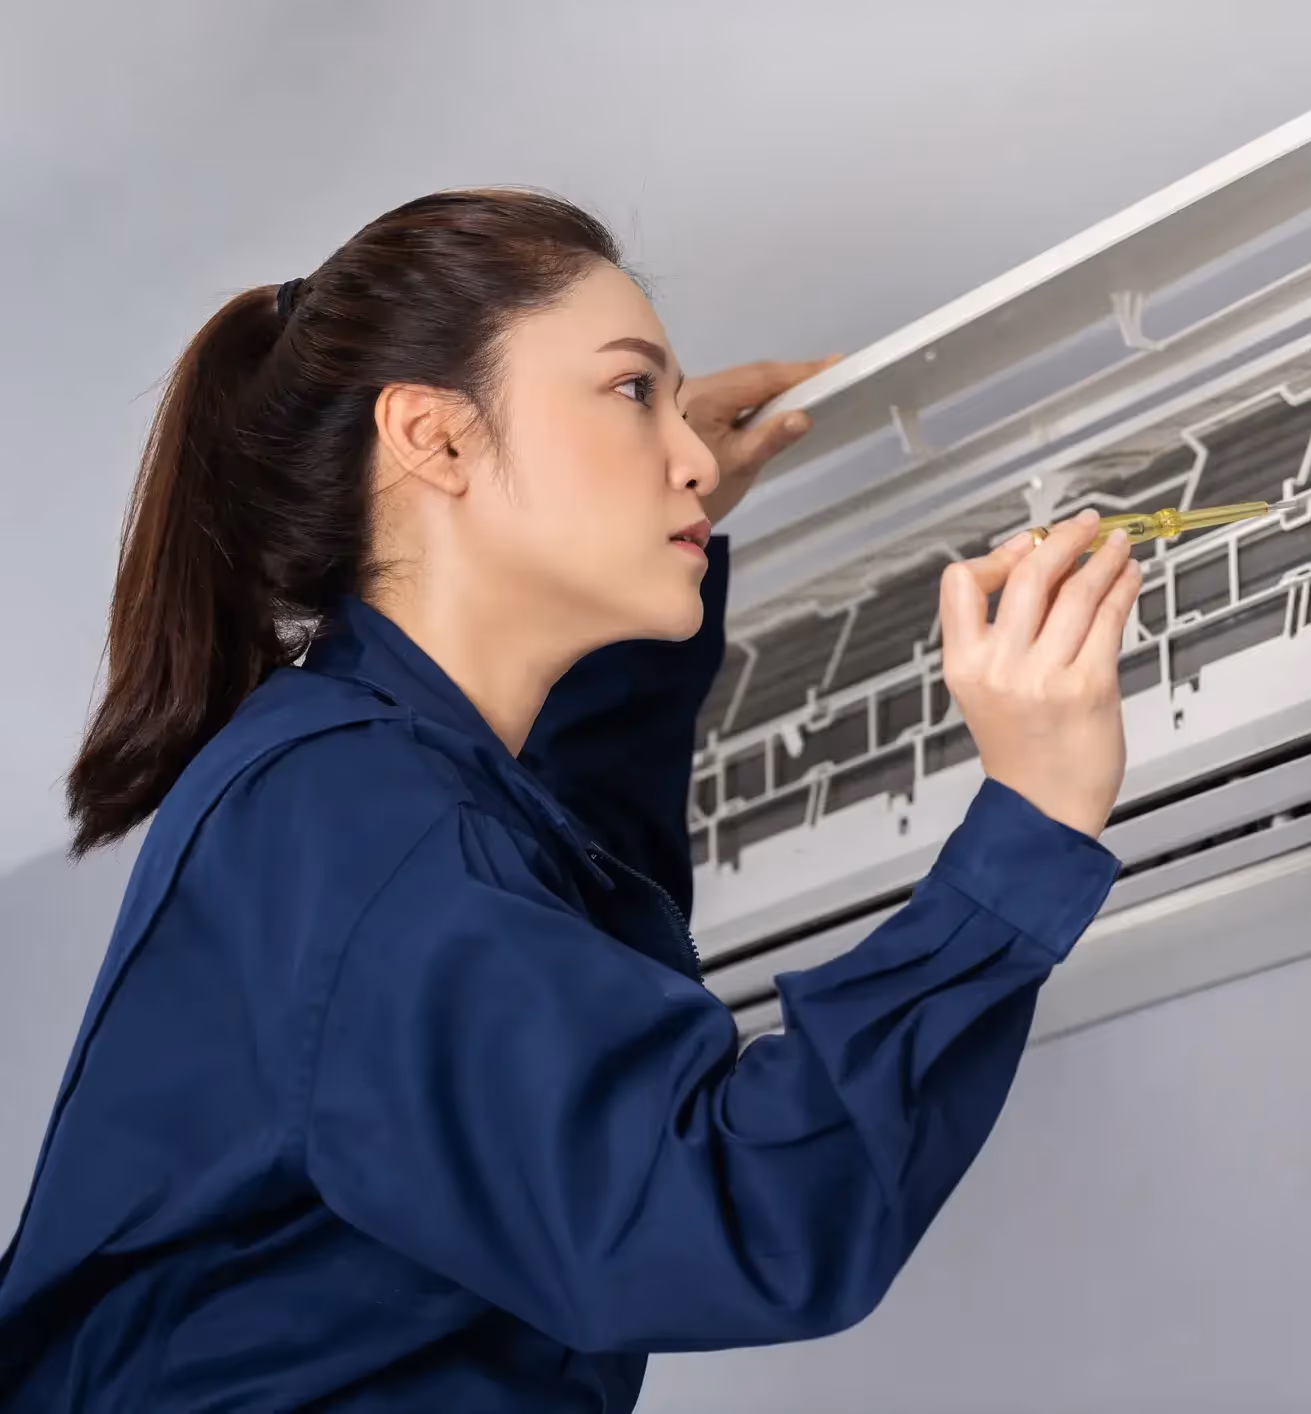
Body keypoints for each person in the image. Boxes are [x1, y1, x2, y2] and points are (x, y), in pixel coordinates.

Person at [0, 188, 1141, 1409]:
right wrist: (1030, 823)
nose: (690, 453)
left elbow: (577, 893)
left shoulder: (379, 785)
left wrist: (659, 531)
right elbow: (726, 1210)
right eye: (632, 389)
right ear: (435, 440)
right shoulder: (350, 815)